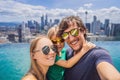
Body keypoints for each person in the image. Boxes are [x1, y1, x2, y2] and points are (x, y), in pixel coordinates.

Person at [57, 15, 120, 80]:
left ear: (83, 30)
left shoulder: (97, 54)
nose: (71, 39)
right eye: (65, 35)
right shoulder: (67, 53)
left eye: (74, 32)